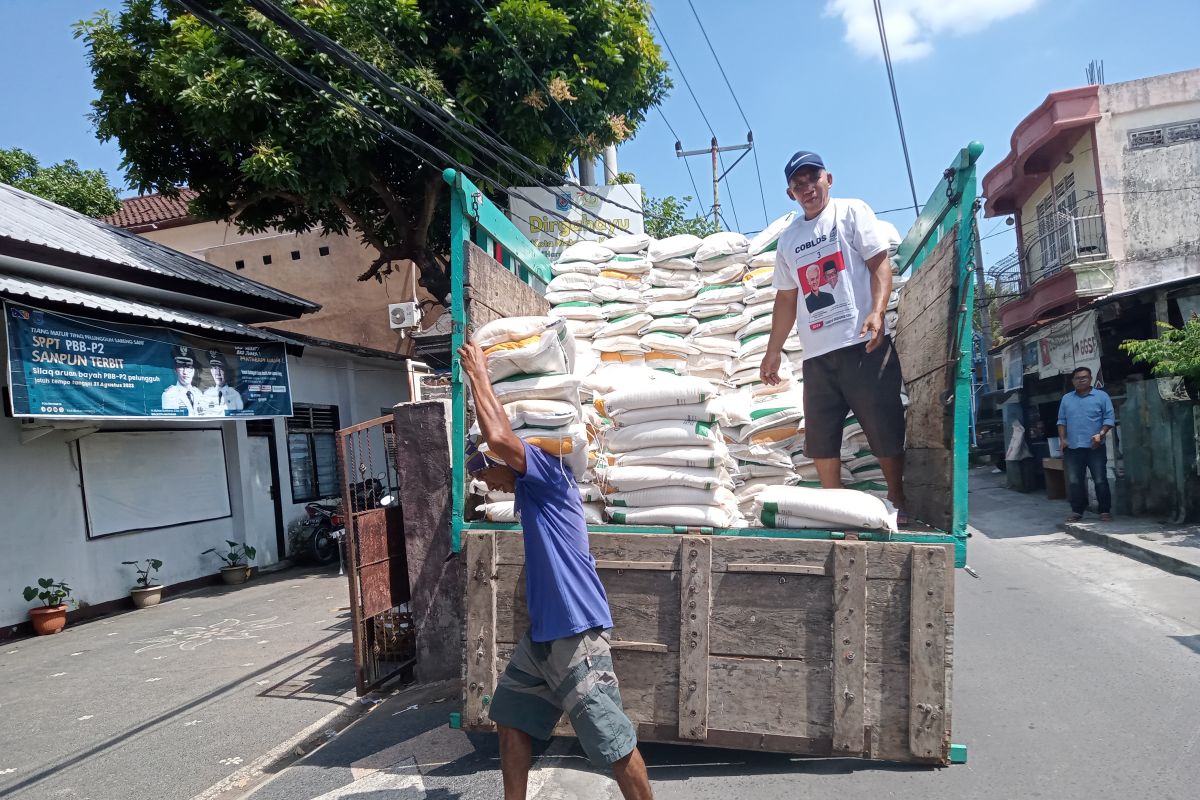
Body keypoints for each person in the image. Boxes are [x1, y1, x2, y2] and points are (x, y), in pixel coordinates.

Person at [457, 340, 653, 800]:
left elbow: (503, 438)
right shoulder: (529, 494)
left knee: (612, 742)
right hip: (545, 637)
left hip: (576, 631)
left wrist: (479, 374)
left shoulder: (549, 473)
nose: (484, 480)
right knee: (510, 718)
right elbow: (500, 440)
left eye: (484, 472)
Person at [761, 150, 909, 521]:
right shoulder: (789, 239)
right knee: (821, 439)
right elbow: (786, 299)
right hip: (817, 357)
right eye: (799, 184)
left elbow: (880, 266)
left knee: (883, 425)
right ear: (790, 193)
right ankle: (836, 508)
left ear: (829, 179)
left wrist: (877, 312)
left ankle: (897, 499)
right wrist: (773, 351)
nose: (808, 188)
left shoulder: (851, 212)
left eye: (813, 178)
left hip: (863, 343)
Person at [1057, 366, 1115, 522]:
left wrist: (1100, 434)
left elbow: (1109, 419)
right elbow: (1061, 421)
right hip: (1073, 447)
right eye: (1077, 378)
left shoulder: (1102, 397)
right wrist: (1063, 439)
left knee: (1100, 479)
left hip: (1095, 447)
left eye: (1084, 377)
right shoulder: (1067, 399)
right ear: (1073, 381)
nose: (1081, 380)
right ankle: (1077, 511)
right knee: (1075, 481)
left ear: (1090, 379)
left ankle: (1104, 511)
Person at [200, 349, 244, 416]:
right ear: (211, 371)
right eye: (214, 368)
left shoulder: (235, 395)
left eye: (220, 368)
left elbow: (240, 417)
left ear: (226, 370)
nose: (217, 373)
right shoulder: (206, 394)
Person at [161, 346, 200, 415]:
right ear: (175, 370)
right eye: (181, 367)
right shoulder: (169, 394)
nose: (185, 372)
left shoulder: (198, 393)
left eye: (189, 367)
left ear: (194, 370)